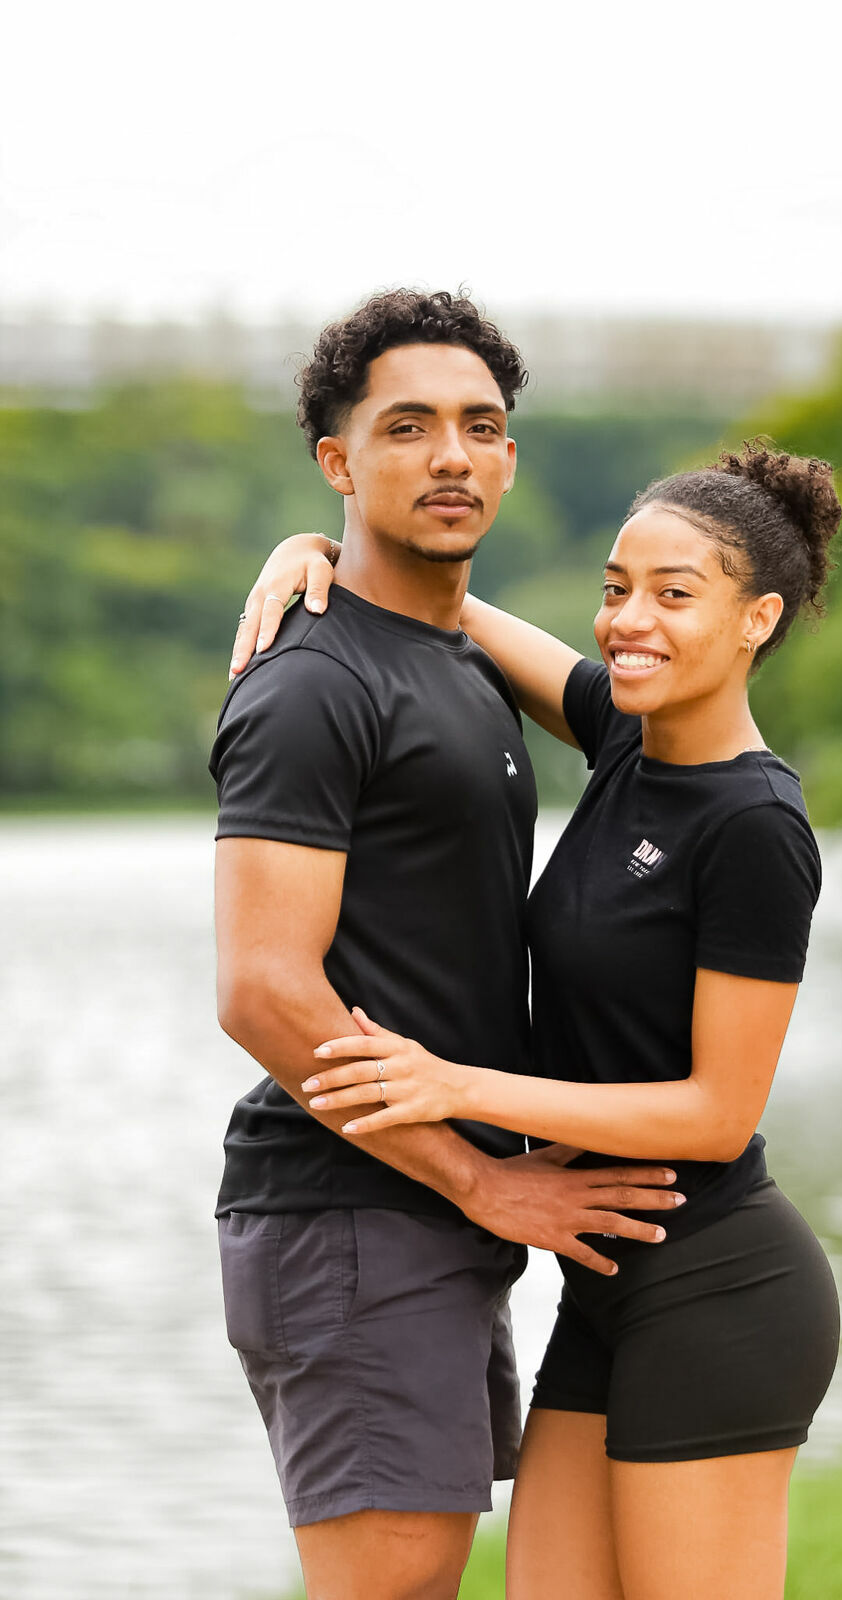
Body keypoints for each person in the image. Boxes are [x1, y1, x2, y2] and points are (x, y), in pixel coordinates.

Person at [238, 442, 842, 1599]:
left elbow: (716, 1114)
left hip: (720, 1282)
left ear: (757, 618)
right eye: (617, 588)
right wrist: (313, 549)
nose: (630, 621)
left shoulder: (755, 824)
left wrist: (456, 1085)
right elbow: (445, 608)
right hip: (607, 1282)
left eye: (676, 595)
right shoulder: (626, 738)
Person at [211, 288, 682, 1600]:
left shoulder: (450, 662)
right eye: (407, 427)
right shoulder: (313, 685)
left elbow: (641, 732)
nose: (453, 456)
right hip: (352, 1206)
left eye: (481, 427)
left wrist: (358, 562)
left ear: (514, 457)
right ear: (338, 457)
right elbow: (259, 990)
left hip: (412, 1215)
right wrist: (479, 1183)